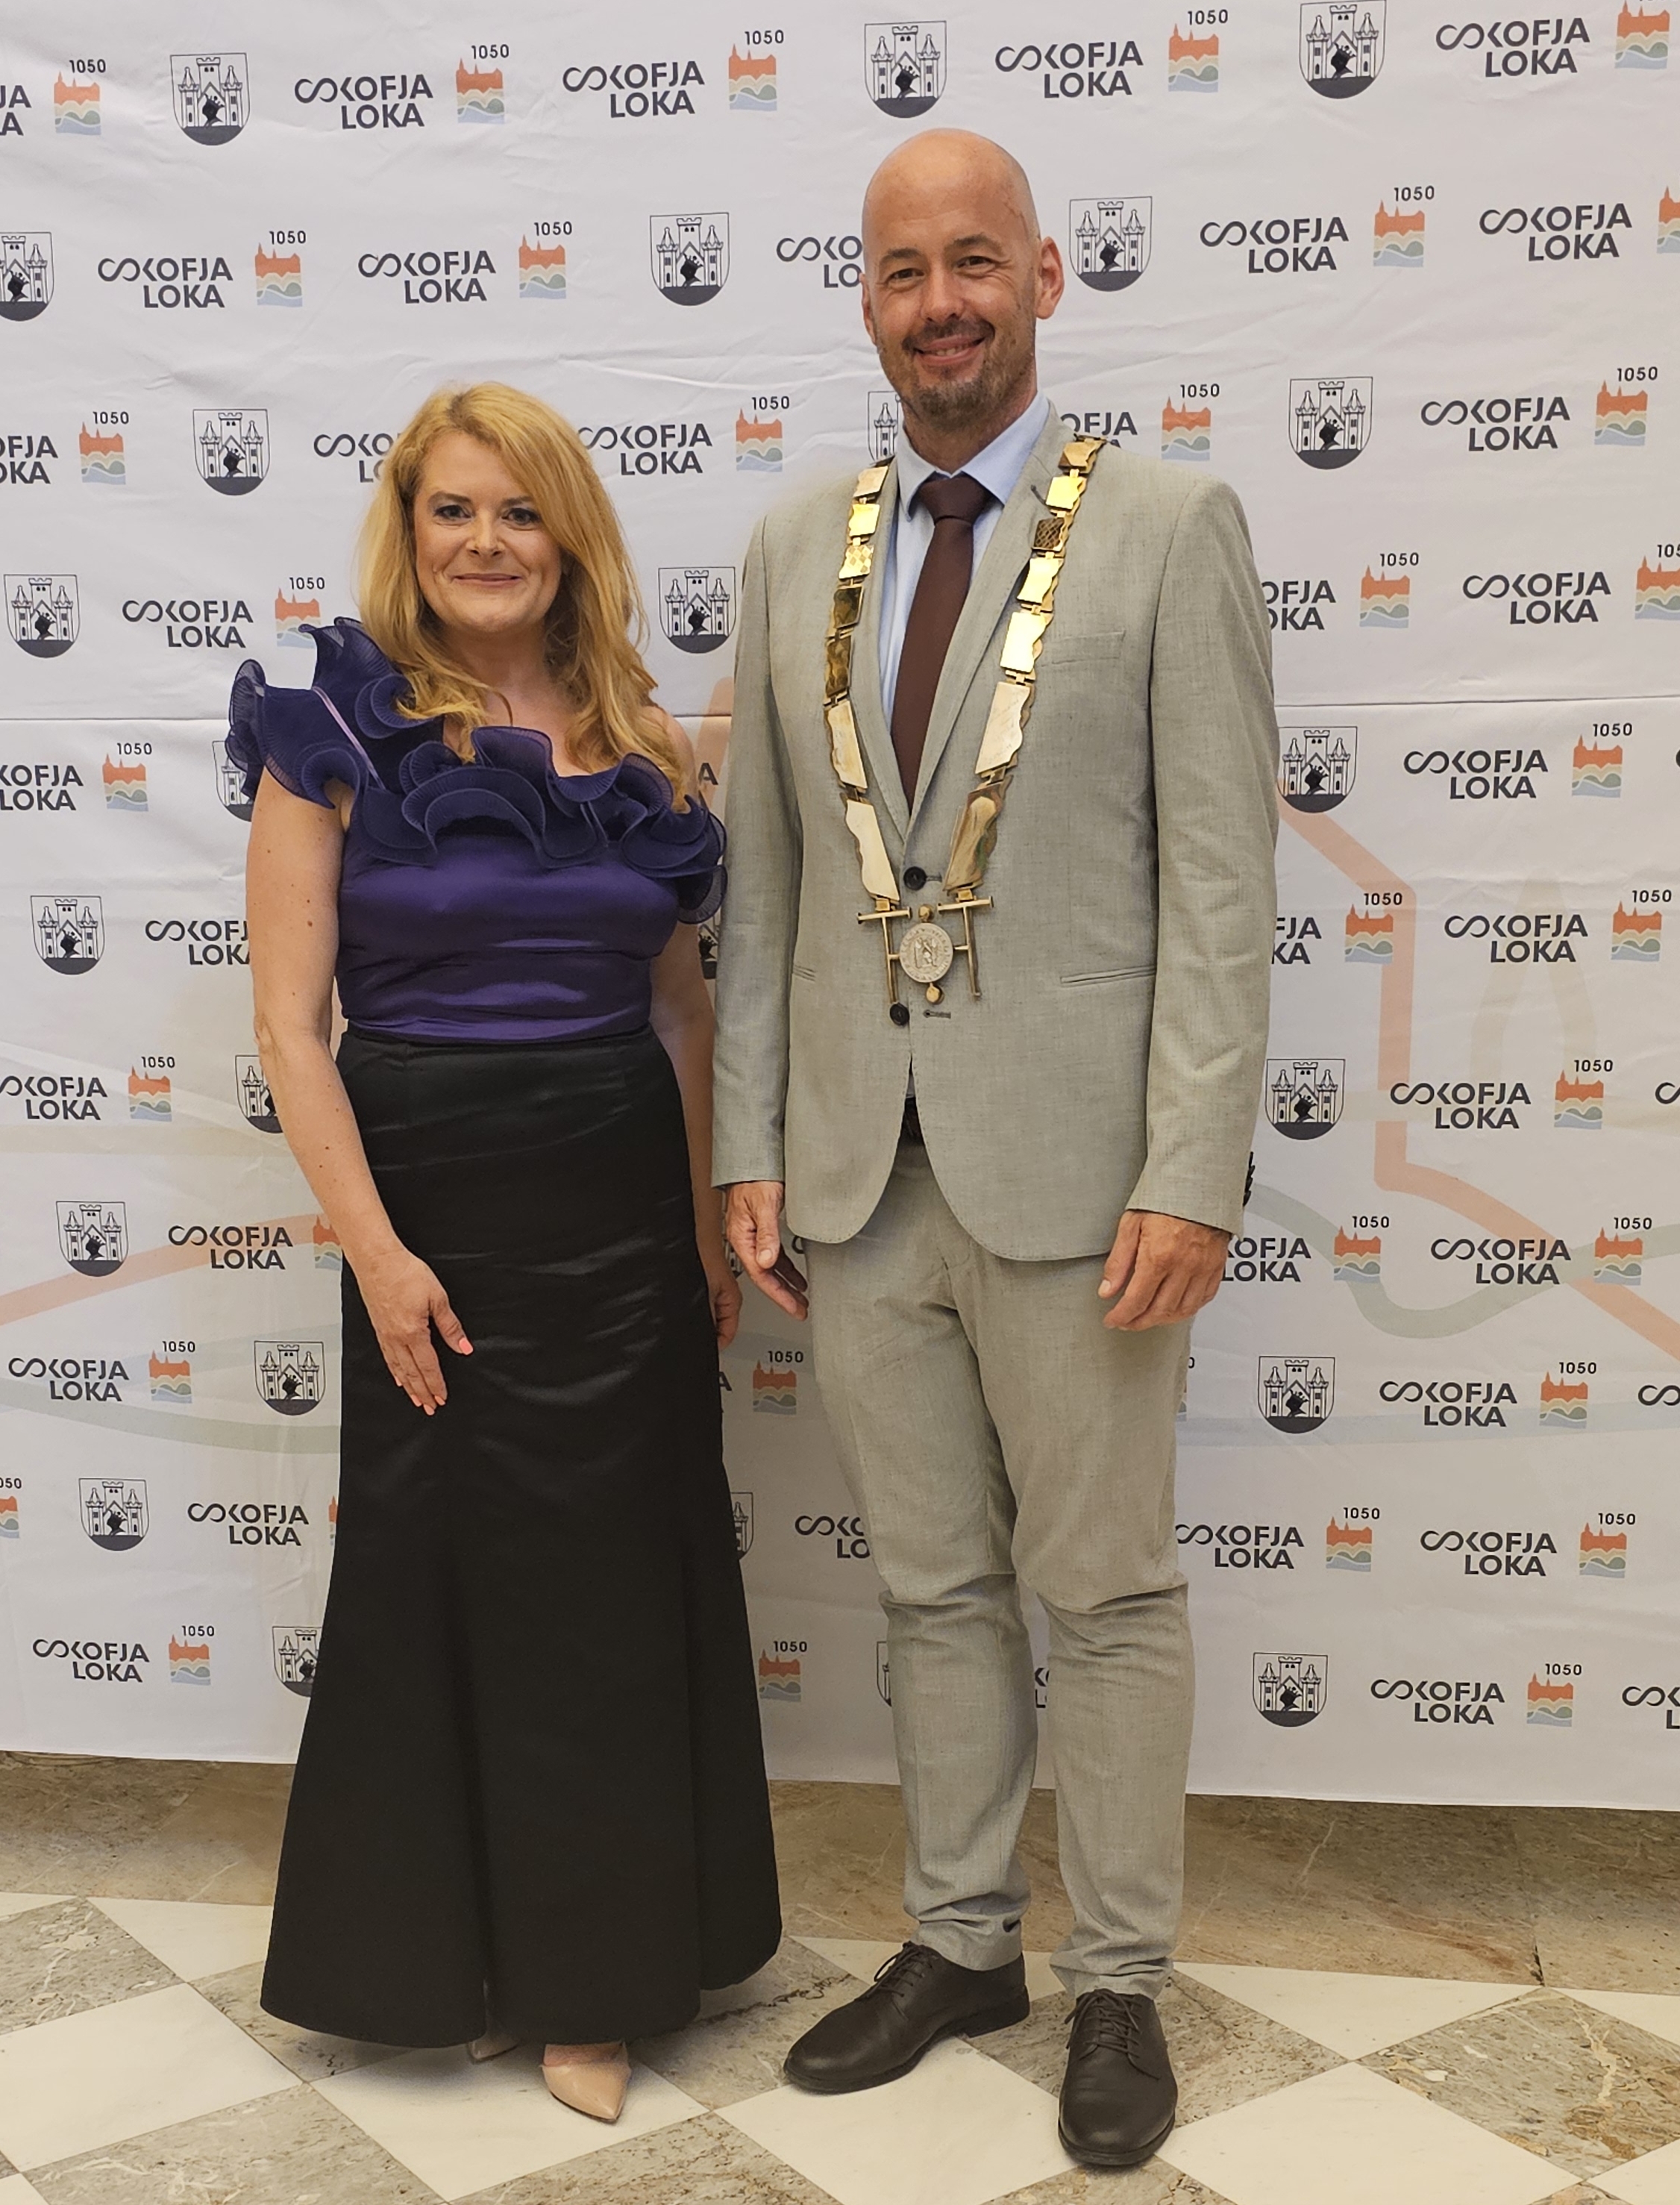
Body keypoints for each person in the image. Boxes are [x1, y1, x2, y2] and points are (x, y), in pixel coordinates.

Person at [712, 134, 1276, 2169]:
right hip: (857, 1178)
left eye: (973, 261)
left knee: (1102, 1590)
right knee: (931, 1585)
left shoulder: (1168, 527)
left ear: (1042, 275)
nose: (937, 301)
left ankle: (1116, 1976)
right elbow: (766, 882)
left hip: (1084, 1181)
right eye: (900, 270)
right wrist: (747, 1139)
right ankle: (961, 1940)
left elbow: (1221, 886)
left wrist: (1193, 1165)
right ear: (863, 299)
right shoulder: (796, 546)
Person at [236, 383, 780, 2120]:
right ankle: (450, 1954)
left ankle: (591, 1985)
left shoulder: (644, 741)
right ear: (410, 532)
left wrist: (697, 1225)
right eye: (454, 509)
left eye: (520, 511)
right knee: (436, 1583)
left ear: (570, 539)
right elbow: (289, 1026)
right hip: (428, 1212)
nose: (486, 541)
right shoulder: (334, 727)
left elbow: (682, 1010)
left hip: (616, 1212)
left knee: (608, 1596)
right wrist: (377, 1254)